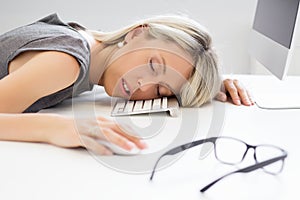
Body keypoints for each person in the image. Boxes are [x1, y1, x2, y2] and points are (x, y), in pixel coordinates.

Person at [0, 13, 253, 155]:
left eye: (160, 90)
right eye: (153, 65)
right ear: (136, 33)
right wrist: (55, 129)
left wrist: (207, 85)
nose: (143, 85)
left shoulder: (86, 44)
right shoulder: (67, 61)